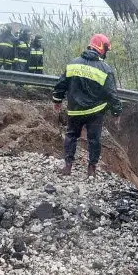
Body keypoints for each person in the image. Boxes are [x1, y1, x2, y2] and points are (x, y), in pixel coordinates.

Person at [52, 33, 122, 178]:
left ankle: (67, 166)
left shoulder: (73, 63)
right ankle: (91, 169)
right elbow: (111, 93)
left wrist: (57, 100)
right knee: (94, 139)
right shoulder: (105, 69)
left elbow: (61, 84)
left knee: (71, 135)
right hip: (95, 113)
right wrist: (116, 112)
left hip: (75, 110)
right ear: (102, 48)